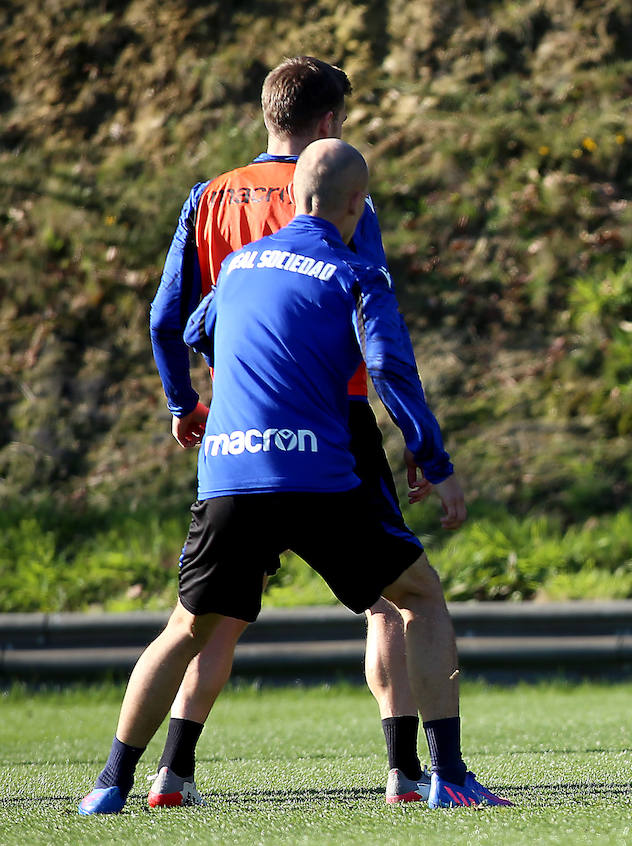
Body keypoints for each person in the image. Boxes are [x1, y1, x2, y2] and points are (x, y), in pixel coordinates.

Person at [80, 139, 511, 814]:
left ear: (297, 197)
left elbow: (192, 327)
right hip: (317, 476)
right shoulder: (356, 272)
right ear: (355, 204)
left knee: (187, 628)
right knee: (418, 598)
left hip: (228, 473)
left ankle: (109, 784)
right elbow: (391, 371)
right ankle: (445, 777)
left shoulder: (239, 268)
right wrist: (434, 459)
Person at [146, 57, 428, 806]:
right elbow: (373, 317)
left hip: (238, 423)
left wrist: (184, 402)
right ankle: (406, 770)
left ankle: (168, 769)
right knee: (389, 598)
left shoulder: (209, 197)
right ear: (330, 123)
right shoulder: (344, 196)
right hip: (332, 418)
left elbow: (167, 320)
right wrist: (424, 443)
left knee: (216, 615)